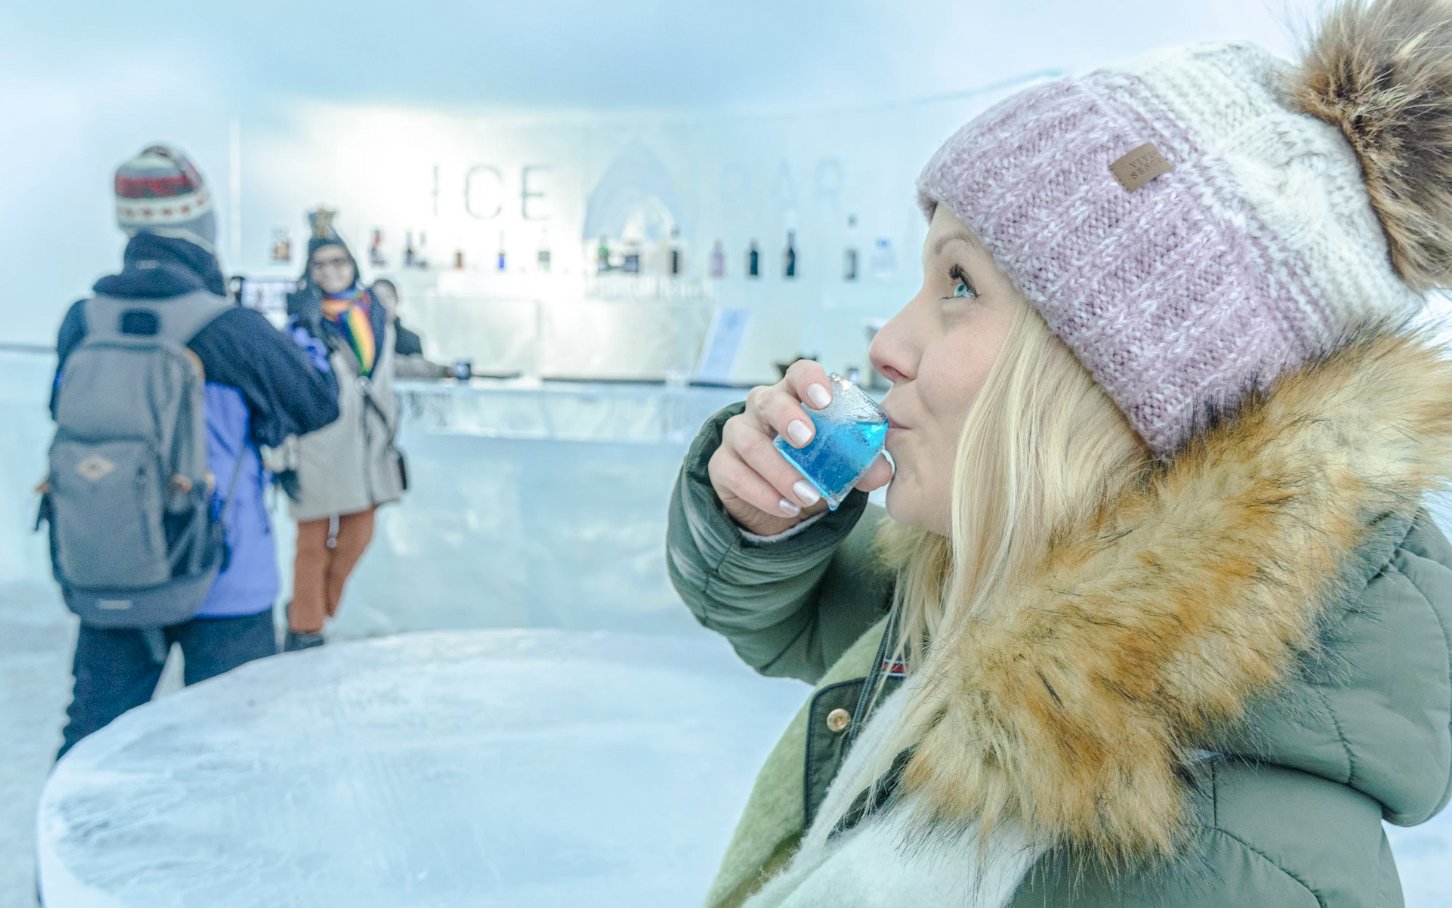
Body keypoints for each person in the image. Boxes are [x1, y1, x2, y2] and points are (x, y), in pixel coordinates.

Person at [667, 1, 1452, 905]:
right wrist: (764, 527)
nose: (887, 341)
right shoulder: (1003, 599)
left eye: (960, 282)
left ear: (1116, 383)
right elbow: (811, 618)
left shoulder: (1215, 873)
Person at [50, 146, 339, 760]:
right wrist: (308, 330)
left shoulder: (83, 320)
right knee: (235, 751)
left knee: (93, 740)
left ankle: (71, 856)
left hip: (114, 560)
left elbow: (63, 410)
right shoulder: (229, 327)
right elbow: (317, 406)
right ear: (202, 229)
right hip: (226, 578)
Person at [273, 210, 405, 652]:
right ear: (309, 272)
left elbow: (383, 369)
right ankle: (305, 627)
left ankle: (313, 607)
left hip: (367, 442)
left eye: (339, 262)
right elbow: (284, 388)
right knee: (311, 539)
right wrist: (284, 453)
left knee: (358, 533)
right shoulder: (301, 323)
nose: (332, 272)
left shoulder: (374, 313)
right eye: (321, 265)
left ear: (353, 265)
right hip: (317, 440)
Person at [370, 277, 448, 378]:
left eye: (388, 297)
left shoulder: (411, 340)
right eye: (377, 298)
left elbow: (418, 377)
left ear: (397, 299)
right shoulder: (363, 337)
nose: (383, 303)